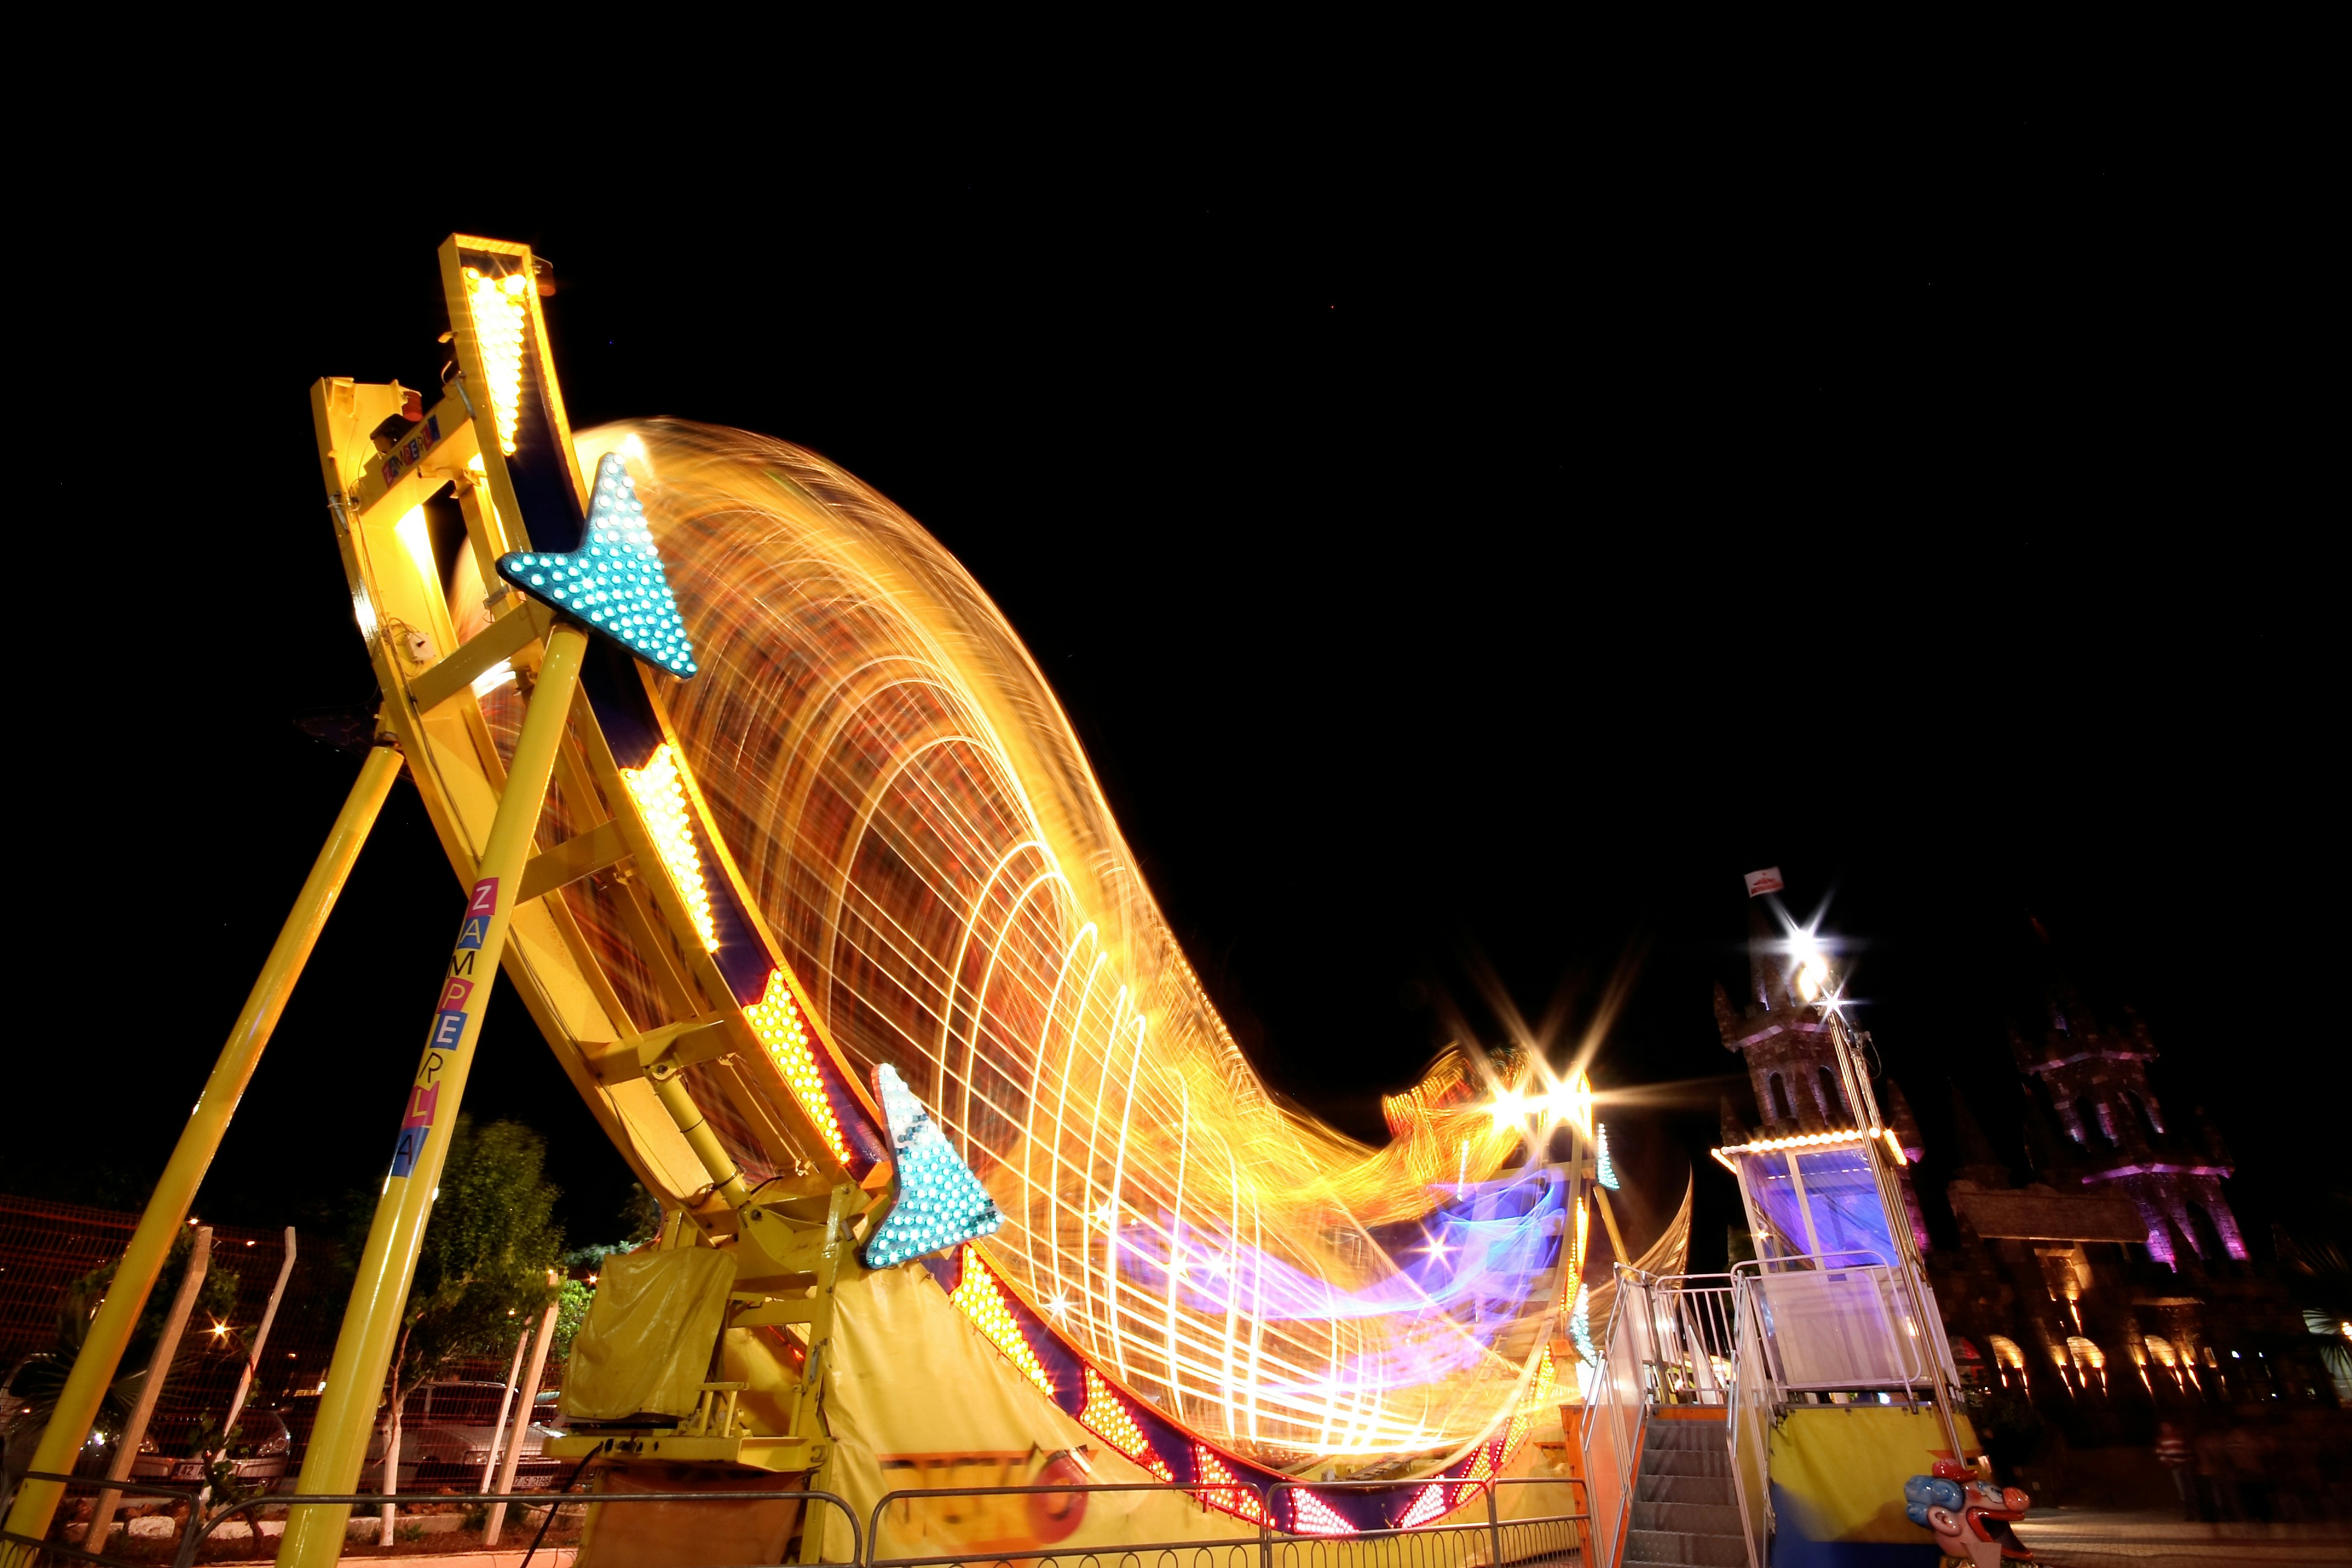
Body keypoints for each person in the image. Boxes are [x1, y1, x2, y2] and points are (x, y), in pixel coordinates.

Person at [2155, 1422, 2194, 1521]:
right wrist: (2170, 1463)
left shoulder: (2180, 1437)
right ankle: (2189, 1513)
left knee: (2190, 1489)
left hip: (2185, 1466)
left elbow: (2188, 1451)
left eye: (2167, 1426)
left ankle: (2193, 1511)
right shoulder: (2162, 1440)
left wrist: (2188, 1462)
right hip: (2175, 1467)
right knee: (2182, 1490)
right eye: (2163, 1427)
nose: (2165, 1429)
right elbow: (2161, 1454)